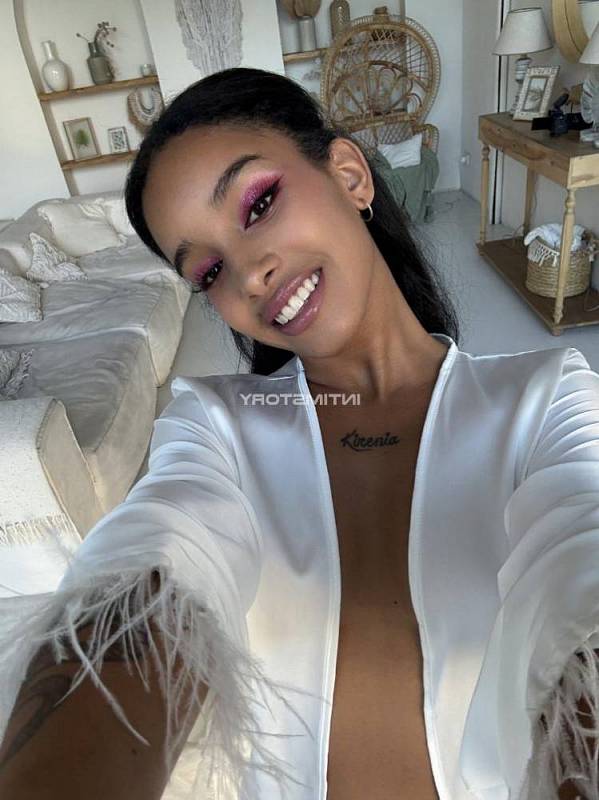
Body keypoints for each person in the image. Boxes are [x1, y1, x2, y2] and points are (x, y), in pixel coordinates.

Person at [0, 67, 598, 800]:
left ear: (349, 175)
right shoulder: (215, 424)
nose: (248, 276)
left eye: (258, 205)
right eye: (209, 270)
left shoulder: (547, 397)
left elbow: (583, 566)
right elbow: (150, 571)